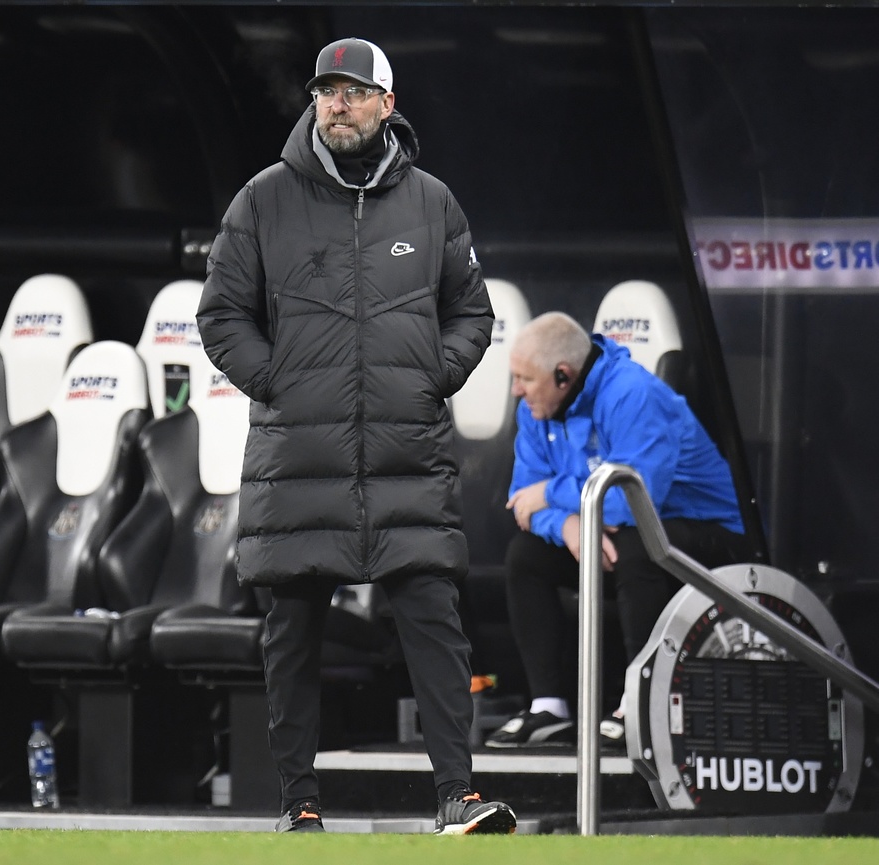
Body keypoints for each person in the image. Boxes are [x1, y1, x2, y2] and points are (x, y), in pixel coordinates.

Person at [197, 37, 516, 835]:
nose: (335, 105)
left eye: (352, 91)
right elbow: (221, 314)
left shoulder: (434, 203)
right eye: (325, 92)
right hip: (299, 453)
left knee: (435, 618)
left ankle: (458, 796)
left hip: (407, 450)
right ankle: (299, 803)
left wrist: (433, 374)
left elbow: (471, 312)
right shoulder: (262, 199)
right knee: (292, 631)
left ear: (387, 105)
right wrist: (279, 381)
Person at [485, 311, 752, 749]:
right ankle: (549, 708)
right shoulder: (535, 409)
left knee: (636, 543)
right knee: (526, 555)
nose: (516, 390)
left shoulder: (632, 394)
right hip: (617, 531)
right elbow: (522, 501)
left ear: (563, 375)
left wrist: (553, 494)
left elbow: (631, 501)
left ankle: (641, 702)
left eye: (525, 379)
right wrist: (569, 526)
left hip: (716, 538)